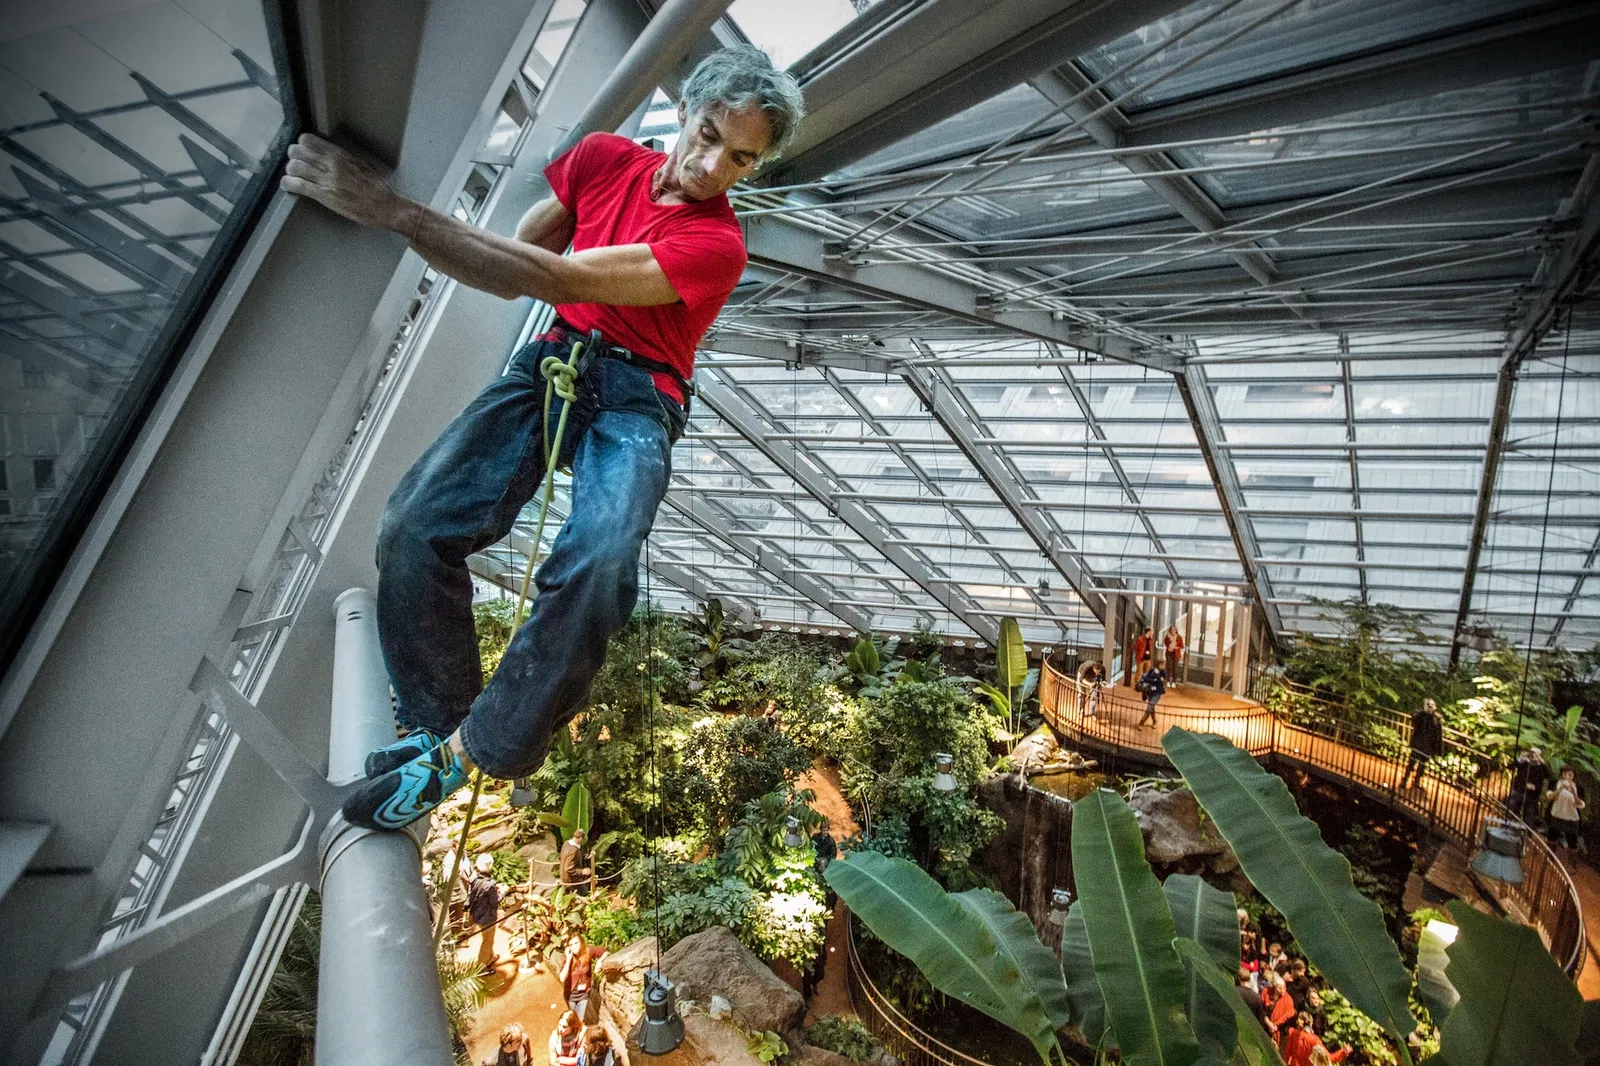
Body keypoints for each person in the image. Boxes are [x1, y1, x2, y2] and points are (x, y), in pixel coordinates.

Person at [279, 48, 807, 831]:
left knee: (600, 560)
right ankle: (435, 723)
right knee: (416, 525)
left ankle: (472, 752)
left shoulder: (719, 245)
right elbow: (516, 263)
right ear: (686, 109)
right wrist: (417, 223)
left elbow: (557, 277)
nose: (710, 166)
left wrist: (393, 212)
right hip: (556, 359)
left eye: (740, 159)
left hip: (641, 395)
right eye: (705, 135)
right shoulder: (600, 160)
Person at [1399, 698, 1443, 791]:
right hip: (1418, 743)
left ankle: (1416, 781)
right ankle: (1405, 780)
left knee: (1422, 765)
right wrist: (1423, 711)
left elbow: (1438, 735)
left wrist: (1437, 749)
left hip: (1427, 745)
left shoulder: (1436, 719)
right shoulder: (1421, 715)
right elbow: (1414, 717)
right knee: (1412, 763)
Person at [467, 853, 501, 971]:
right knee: (487, 941)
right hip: (487, 917)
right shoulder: (489, 884)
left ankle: (490, 957)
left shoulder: (474, 878)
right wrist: (503, 893)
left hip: (477, 914)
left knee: (488, 938)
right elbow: (494, 903)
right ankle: (482, 967)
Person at [559, 932, 600, 1022]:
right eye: (571, 944)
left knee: (580, 1020)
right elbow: (562, 978)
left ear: (581, 943)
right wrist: (569, 959)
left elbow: (604, 952)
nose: (574, 946)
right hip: (571, 995)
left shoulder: (588, 951)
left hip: (583, 994)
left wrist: (599, 963)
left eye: (576, 943)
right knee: (574, 1019)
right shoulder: (567, 959)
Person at [1280, 1012, 1348, 1066]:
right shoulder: (1314, 1039)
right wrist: (1343, 1052)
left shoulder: (1293, 1033)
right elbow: (1328, 1058)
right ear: (1311, 1023)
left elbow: (1287, 1054)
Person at [1546, 766, 1586, 850]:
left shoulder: (1579, 788)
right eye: (1565, 774)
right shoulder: (1555, 783)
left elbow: (1580, 804)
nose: (1567, 776)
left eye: (1570, 775)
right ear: (1561, 775)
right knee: (1551, 840)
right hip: (1556, 815)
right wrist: (1560, 788)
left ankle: (1571, 861)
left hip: (1571, 819)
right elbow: (1550, 797)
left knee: (1572, 844)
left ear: (1573, 776)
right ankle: (1549, 859)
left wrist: (1573, 793)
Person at [1509, 747, 1549, 822]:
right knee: (1512, 809)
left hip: (1532, 795)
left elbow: (1548, 775)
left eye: (1536, 754)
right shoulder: (1524, 763)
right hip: (1519, 790)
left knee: (1529, 814)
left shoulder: (1541, 767)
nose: (1533, 756)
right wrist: (1520, 759)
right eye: (1532, 753)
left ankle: (1527, 830)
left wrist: (1541, 762)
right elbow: (1510, 767)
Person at [1137, 656, 1167, 728]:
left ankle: (1141, 722)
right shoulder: (1152, 670)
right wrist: (1154, 680)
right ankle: (1155, 721)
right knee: (1151, 707)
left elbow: (1161, 681)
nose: (1163, 666)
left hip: (1157, 692)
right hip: (1150, 691)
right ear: (1158, 665)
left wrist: (1157, 675)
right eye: (1162, 664)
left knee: (1150, 707)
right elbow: (1145, 678)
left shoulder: (1163, 672)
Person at [559, 827, 591, 895]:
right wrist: (582, 871)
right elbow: (569, 868)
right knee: (585, 894)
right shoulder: (573, 850)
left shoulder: (566, 843)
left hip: (564, 877)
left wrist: (586, 856)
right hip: (571, 880)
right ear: (580, 838)